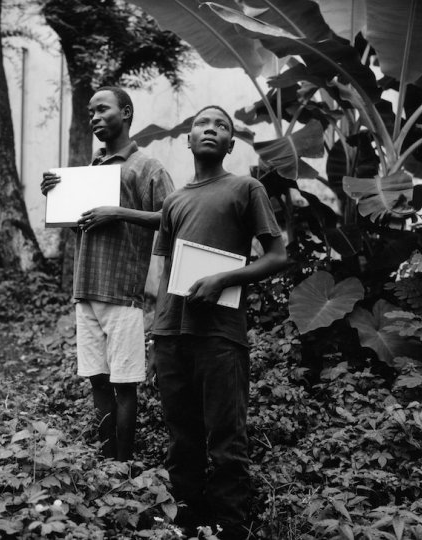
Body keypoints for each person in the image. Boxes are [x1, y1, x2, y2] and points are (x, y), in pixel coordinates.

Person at [149, 105, 287, 539]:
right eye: (201, 124)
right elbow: (165, 270)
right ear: (188, 140)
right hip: (171, 335)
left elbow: (278, 256)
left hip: (220, 337)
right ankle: (189, 524)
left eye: (221, 126)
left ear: (231, 143)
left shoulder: (246, 188)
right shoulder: (174, 201)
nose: (210, 129)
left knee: (227, 441)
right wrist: (157, 331)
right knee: (182, 440)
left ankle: (230, 528)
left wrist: (223, 279)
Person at [41, 86, 174, 461]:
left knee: (124, 383)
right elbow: (79, 226)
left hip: (123, 291)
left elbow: (173, 216)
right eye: (90, 112)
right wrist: (56, 196)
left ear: (126, 112)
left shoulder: (147, 166)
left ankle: (124, 463)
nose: (94, 117)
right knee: (97, 378)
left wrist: (118, 212)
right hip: (86, 288)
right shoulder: (92, 169)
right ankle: (106, 457)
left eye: (103, 109)